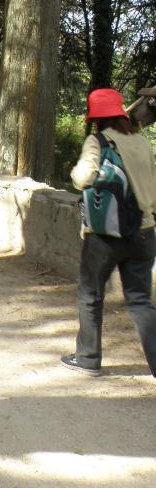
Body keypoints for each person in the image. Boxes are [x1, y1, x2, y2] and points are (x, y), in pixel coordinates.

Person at [62, 87, 156, 377]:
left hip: (105, 234)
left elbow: (82, 178)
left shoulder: (97, 141)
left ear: (95, 118)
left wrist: (79, 172)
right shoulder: (140, 142)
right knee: (140, 299)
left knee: (90, 293)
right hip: (144, 231)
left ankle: (88, 358)